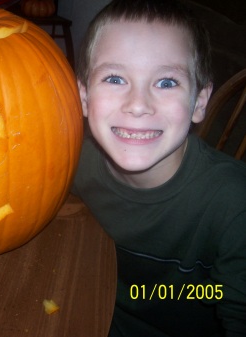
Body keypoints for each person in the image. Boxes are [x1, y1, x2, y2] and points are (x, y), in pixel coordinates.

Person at [71, 0, 246, 336]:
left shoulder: (233, 203)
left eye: (166, 82)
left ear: (199, 102)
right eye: (115, 78)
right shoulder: (70, 161)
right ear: (83, 97)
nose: (138, 105)